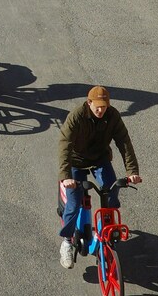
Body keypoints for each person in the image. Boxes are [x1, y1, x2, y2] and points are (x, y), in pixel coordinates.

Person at [58, 86, 142, 268]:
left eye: (104, 107)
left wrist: (132, 172)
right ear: (89, 103)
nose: (100, 110)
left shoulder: (112, 116)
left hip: (99, 159)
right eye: (97, 107)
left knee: (112, 191)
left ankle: (108, 234)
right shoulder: (76, 116)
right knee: (74, 202)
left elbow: (124, 142)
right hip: (76, 161)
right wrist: (66, 176)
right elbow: (64, 144)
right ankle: (66, 242)